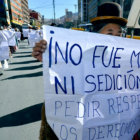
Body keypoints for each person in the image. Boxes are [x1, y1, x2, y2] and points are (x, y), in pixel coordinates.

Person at [32, 2, 139, 140]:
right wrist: (48, 59)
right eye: (110, 32)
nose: (115, 37)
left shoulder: (129, 60)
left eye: (119, 33)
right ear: (97, 34)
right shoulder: (80, 57)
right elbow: (64, 82)